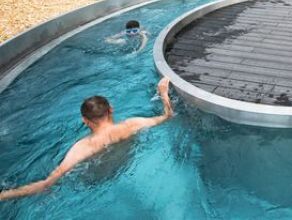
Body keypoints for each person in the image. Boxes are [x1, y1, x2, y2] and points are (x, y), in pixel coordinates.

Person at [0, 78, 174, 201]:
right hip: (128, 168)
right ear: (111, 109)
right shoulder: (132, 124)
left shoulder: (82, 148)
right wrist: (163, 93)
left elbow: (46, 185)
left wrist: (5, 195)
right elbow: (167, 117)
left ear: (85, 120)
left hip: (96, 184)